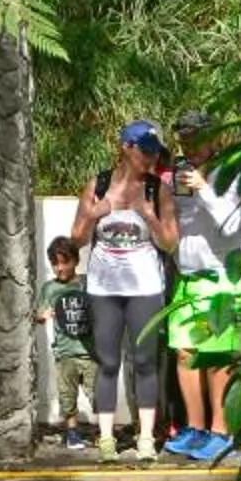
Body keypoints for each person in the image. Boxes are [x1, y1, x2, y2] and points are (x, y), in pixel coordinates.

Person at [69, 121, 178, 462]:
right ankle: (105, 439)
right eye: (145, 151)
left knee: (145, 361)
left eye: (154, 152)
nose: (150, 158)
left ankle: (145, 438)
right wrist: (94, 214)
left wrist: (150, 217)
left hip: (145, 287)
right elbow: (77, 238)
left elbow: (170, 243)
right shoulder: (98, 185)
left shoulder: (156, 190)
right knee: (108, 362)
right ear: (125, 148)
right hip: (104, 287)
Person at [165, 112, 241, 464]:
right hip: (189, 277)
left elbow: (232, 227)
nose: (190, 147)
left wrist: (204, 188)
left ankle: (221, 431)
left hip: (222, 277)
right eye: (184, 141)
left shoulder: (230, 174)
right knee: (185, 354)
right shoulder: (178, 179)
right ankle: (195, 429)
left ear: (214, 140)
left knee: (217, 359)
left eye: (196, 140)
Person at [37, 234, 97, 451]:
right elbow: (38, 314)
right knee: (67, 395)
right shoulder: (49, 289)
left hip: (90, 351)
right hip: (65, 352)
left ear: (75, 261)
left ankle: (104, 432)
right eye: (55, 264)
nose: (59, 268)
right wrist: (43, 315)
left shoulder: (87, 283)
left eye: (65, 262)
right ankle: (72, 432)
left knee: (98, 393)